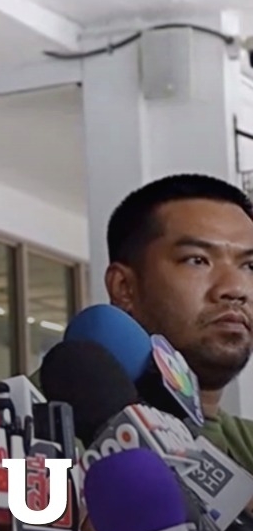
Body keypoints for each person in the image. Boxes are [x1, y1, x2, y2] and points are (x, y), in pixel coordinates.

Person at [103, 173, 253, 472]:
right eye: (197, 260)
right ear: (124, 287)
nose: (235, 288)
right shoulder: (35, 426)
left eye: (250, 265)